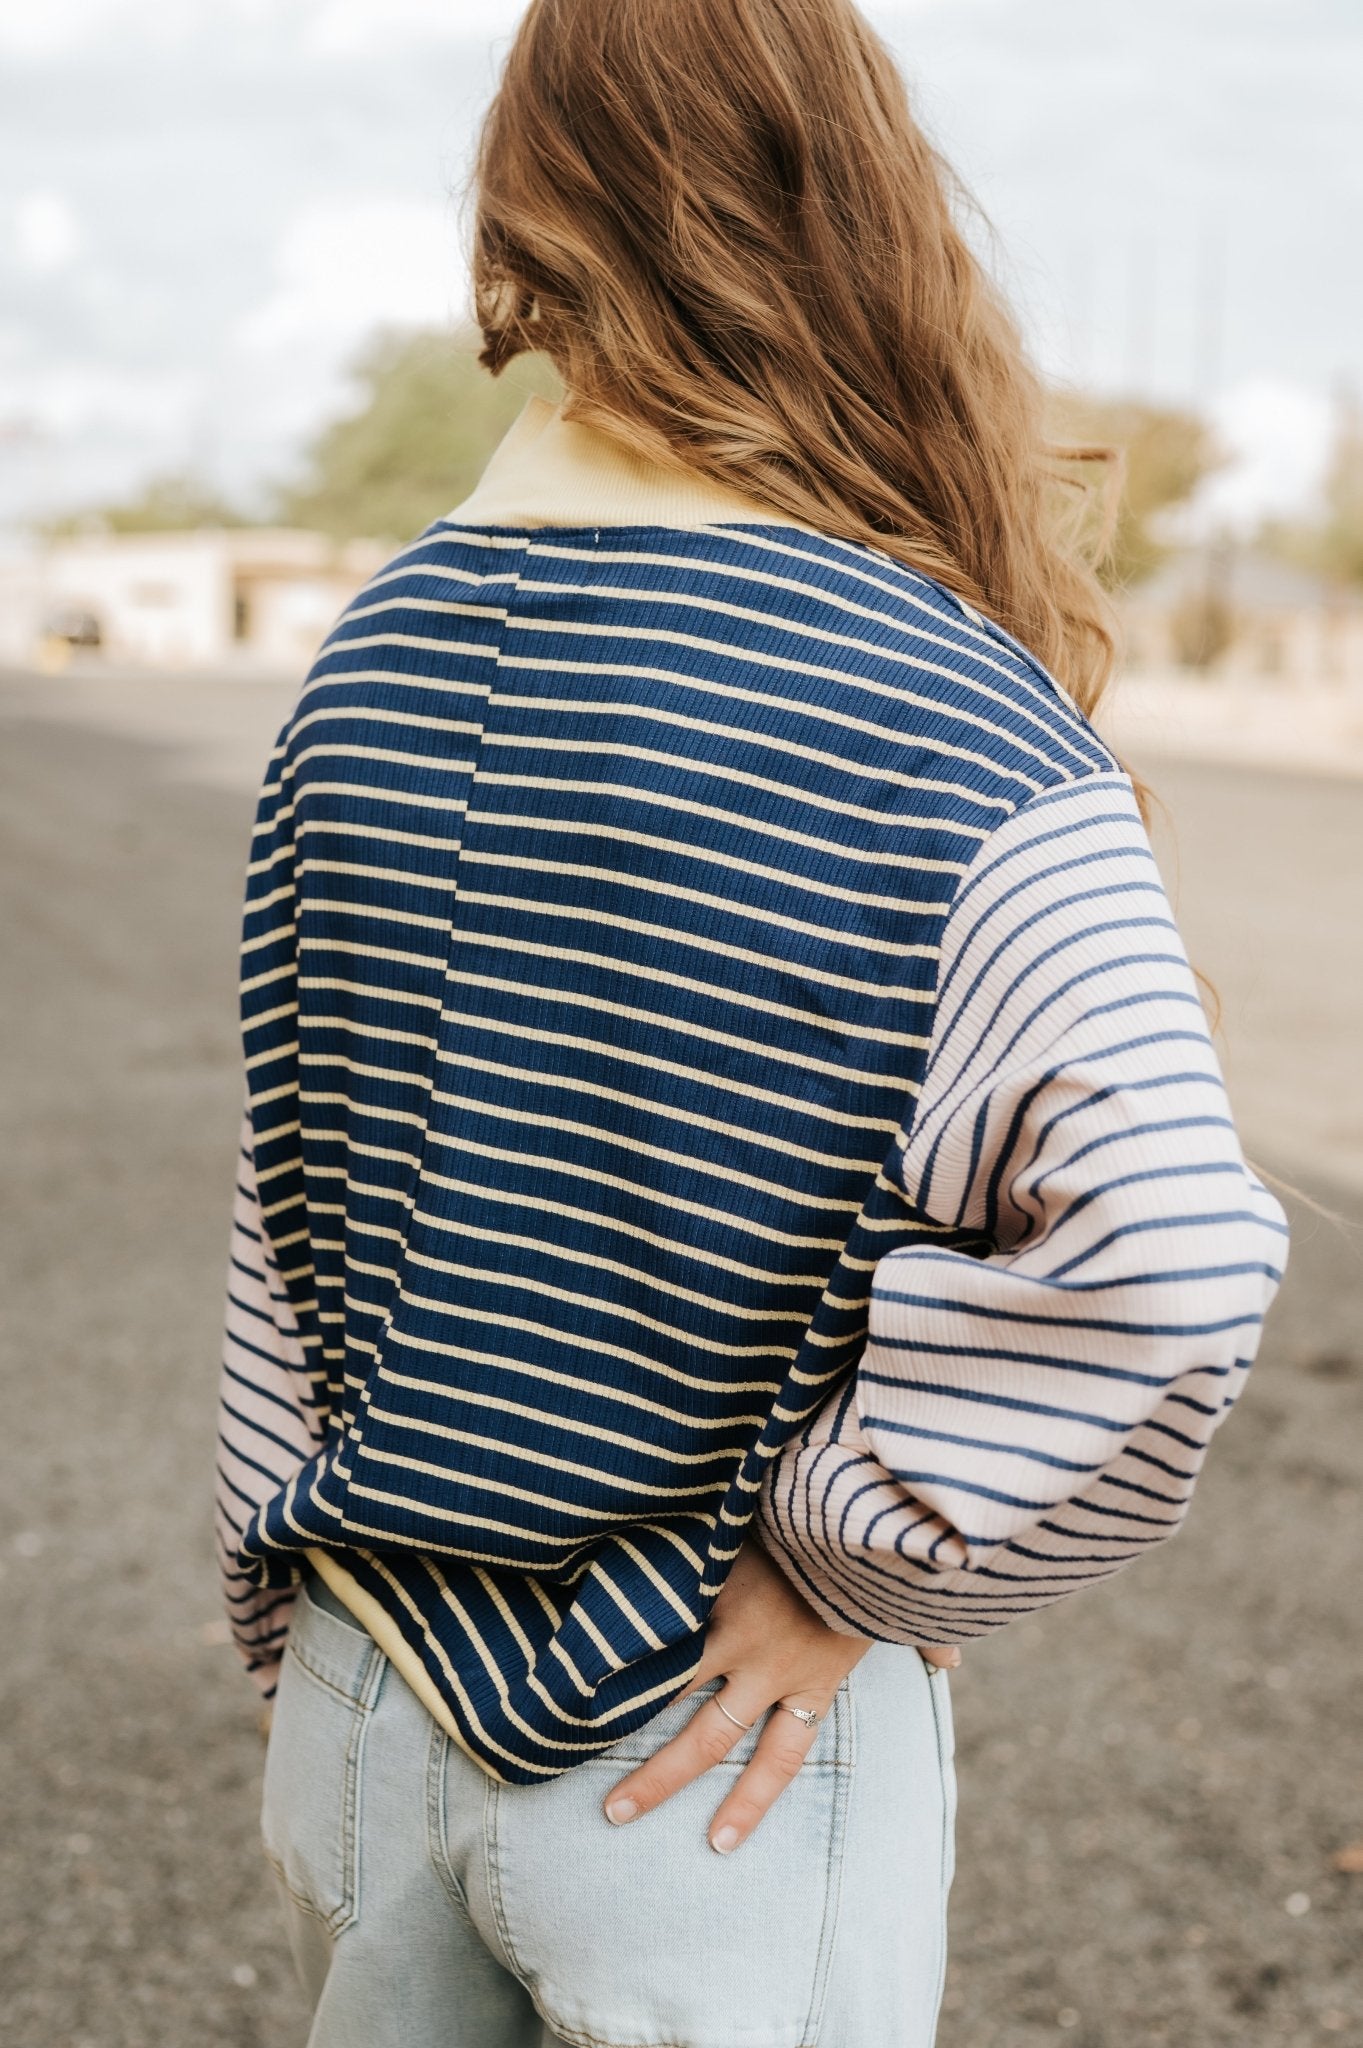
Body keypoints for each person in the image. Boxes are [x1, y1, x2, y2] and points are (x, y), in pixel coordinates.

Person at [213, 2, 1288, 2042]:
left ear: (528, 207)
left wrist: (293, 1618)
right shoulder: (944, 715)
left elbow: (292, 1193)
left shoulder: (360, 661)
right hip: (707, 1737)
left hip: (368, 1690)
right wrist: (865, 1559)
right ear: (858, 205)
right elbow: (1162, 1242)